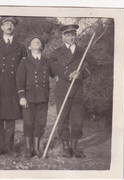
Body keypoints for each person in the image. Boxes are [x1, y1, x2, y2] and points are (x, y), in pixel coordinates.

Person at [49, 24, 97, 158]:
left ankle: (74, 147)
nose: (71, 37)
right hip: (62, 90)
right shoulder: (57, 52)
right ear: (63, 36)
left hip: (77, 89)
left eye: (73, 35)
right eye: (68, 35)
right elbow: (52, 66)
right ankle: (65, 147)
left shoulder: (82, 51)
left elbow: (94, 64)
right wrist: (67, 74)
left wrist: (81, 75)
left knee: (77, 119)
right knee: (63, 118)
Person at [0, 17, 27, 156]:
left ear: (14, 27)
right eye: (6, 24)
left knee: (11, 118)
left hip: (13, 85)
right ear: (2, 27)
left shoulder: (21, 46)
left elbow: (24, 67)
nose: (9, 26)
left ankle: (9, 147)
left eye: (11, 24)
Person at [16, 36, 53, 158]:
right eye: (34, 42)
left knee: (40, 123)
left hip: (43, 97)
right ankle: (28, 149)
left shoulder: (47, 61)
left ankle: (36, 149)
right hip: (29, 97)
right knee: (28, 123)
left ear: (41, 46)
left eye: (39, 42)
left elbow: (56, 72)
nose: (37, 43)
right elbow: (20, 80)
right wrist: (21, 96)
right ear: (30, 47)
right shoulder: (25, 61)